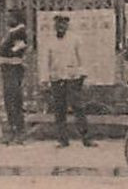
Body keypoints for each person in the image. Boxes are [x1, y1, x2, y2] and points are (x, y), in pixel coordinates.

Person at [40, 13, 96, 148]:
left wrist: (84, 75)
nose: (60, 26)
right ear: (54, 25)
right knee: (59, 109)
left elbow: (82, 58)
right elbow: (45, 61)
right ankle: (62, 139)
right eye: (58, 23)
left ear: (67, 25)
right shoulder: (49, 41)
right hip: (57, 78)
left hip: (73, 78)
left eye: (63, 23)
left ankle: (86, 137)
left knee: (78, 107)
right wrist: (44, 79)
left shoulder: (75, 39)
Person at [0, 9, 29, 145]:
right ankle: (13, 130)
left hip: (13, 69)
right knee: (10, 101)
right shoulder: (13, 32)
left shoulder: (19, 32)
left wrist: (4, 52)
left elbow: (16, 50)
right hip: (8, 69)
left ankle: (18, 131)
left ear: (17, 18)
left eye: (10, 17)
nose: (7, 19)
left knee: (14, 100)